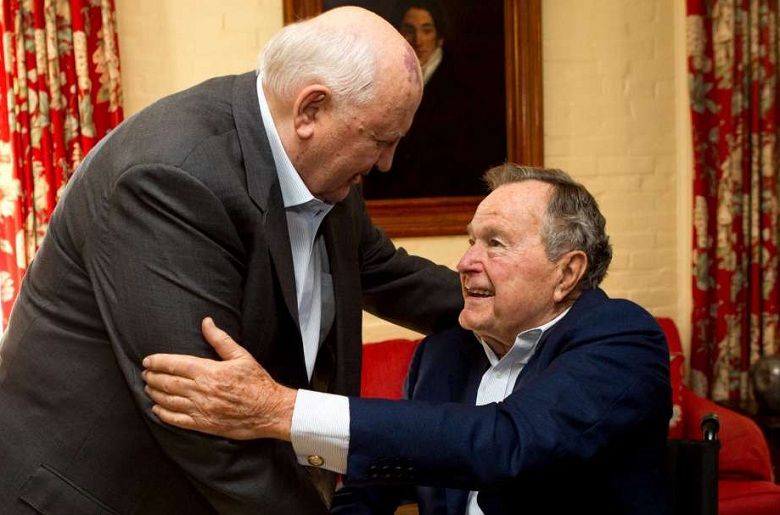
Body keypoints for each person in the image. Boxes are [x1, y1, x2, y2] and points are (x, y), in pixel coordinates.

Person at [0, 7, 462, 514]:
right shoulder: (171, 179)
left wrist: (517, 305)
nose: (386, 163)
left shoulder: (326, 175)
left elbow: (393, 277)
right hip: (85, 498)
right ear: (310, 110)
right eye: (380, 140)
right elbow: (206, 426)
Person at [143, 164, 673, 514]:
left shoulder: (621, 341)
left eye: (496, 244)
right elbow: (377, 480)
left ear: (567, 272)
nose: (465, 262)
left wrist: (281, 409)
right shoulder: (445, 352)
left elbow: (506, 443)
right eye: (471, 241)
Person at [361, 1, 504, 199]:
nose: (418, 40)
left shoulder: (461, 88)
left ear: (439, 38)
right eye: (410, 30)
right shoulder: (383, 80)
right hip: (393, 196)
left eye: (427, 30)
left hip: (445, 194)